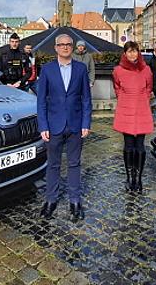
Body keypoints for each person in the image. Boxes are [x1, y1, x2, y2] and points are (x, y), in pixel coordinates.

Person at [37, 34, 92, 221]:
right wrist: (43, 125)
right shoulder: (47, 70)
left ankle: (75, 201)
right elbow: (41, 101)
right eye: (62, 45)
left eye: (69, 44)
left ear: (73, 47)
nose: (65, 47)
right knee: (53, 164)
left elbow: (86, 99)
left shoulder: (81, 69)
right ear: (56, 47)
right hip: (53, 126)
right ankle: (51, 200)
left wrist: (86, 123)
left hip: (76, 125)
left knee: (74, 163)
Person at [112, 41, 153, 192]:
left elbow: (149, 87)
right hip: (126, 110)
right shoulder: (118, 70)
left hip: (141, 110)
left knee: (140, 147)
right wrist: (125, 99)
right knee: (129, 146)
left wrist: (142, 100)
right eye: (129, 51)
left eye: (135, 51)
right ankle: (130, 178)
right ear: (125, 53)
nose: (132, 54)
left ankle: (139, 178)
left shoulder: (146, 69)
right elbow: (117, 87)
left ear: (138, 53)